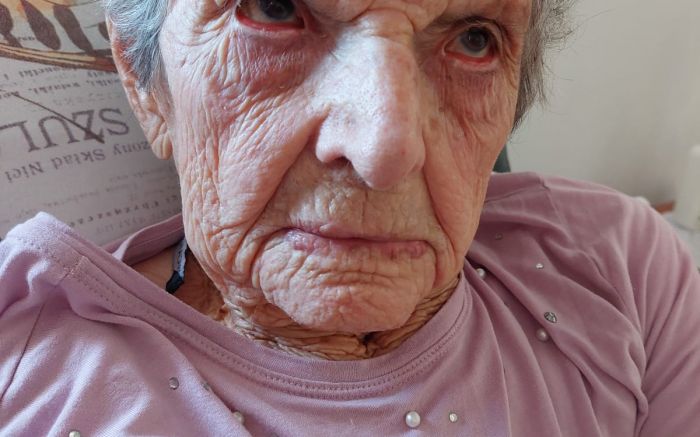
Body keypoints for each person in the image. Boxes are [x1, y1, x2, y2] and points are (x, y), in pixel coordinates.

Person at [1, 0, 699, 435]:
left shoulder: (620, 267)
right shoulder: (25, 379)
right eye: (274, 10)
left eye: (474, 39)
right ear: (144, 80)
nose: (385, 149)